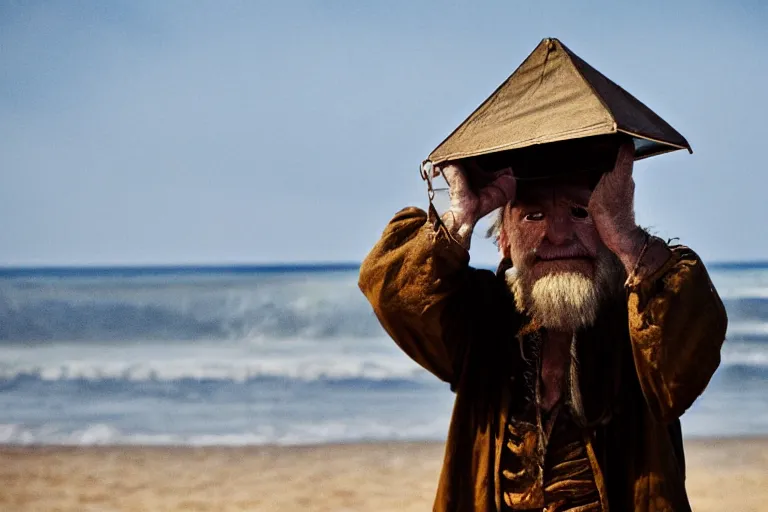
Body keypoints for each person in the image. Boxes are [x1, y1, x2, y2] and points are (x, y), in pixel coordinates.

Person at [358, 140, 727, 511]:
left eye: (582, 212)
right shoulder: (480, 317)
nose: (559, 234)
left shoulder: (643, 316)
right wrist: (460, 217)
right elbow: (392, 293)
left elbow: (686, 361)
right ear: (503, 240)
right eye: (533, 216)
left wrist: (630, 240)